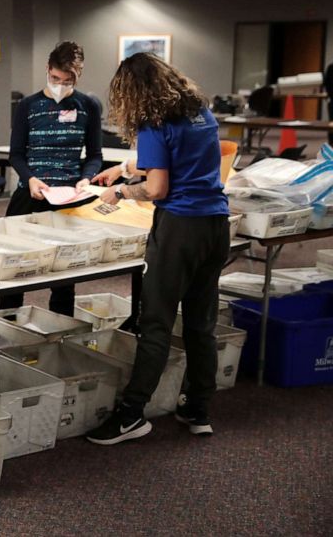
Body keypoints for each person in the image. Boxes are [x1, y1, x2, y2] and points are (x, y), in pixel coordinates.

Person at [86, 53, 230, 445]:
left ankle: (132, 415)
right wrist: (126, 167)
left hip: (179, 227)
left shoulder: (153, 122)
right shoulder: (200, 112)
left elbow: (157, 189)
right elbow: (180, 158)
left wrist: (118, 191)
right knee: (201, 324)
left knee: (156, 324)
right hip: (216, 225)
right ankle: (197, 408)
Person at [0, 41, 102, 316]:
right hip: (30, 193)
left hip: (68, 196)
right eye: (56, 78)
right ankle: (7, 325)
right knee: (15, 268)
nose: (60, 85)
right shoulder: (28, 105)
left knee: (65, 274)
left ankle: (61, 329)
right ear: (47, 70)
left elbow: (94, 155)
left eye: (68, 81)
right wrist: (30, 178)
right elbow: (17, 154)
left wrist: (86, 179)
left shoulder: (88, 106)